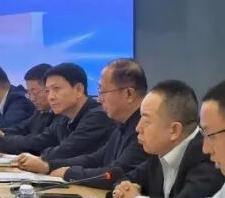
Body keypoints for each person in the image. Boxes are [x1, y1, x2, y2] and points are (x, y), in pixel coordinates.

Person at [17, 58, 148, 186]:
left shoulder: (144, 129)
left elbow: (116, 174)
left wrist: (68, 173)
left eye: (103, 92)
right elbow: (96, 158)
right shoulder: (122, 125)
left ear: (129, 94)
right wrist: (50, 166)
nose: (99, 99)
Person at [109, 80, 225, 198]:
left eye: (146, 121)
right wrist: (125, 189)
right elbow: (125, 179)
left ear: (174, 130)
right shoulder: (160, 152)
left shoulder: (206, 154)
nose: (138, 128)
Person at [0, 62, 114, 162]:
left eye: (56, 89)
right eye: (47, 91)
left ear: (78, 89)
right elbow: (42, 140)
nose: (51, 97)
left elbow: (66, 150)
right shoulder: (65, 118)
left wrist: (40, 159)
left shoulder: (97, 116)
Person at [0, 63, 55, 138]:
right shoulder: (40, 113)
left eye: (35, 92)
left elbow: (38, 141)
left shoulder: (19, 99)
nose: (32, 99)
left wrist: (2, 136)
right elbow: (22, 129)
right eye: (29, 93)